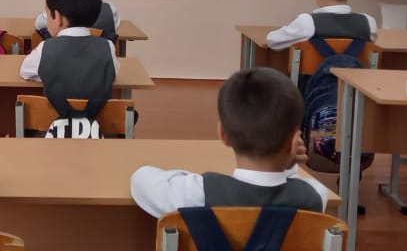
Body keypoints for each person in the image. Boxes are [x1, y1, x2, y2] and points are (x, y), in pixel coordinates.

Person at [131, 68, 328, 217]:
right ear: (294, 143)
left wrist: (187, 178)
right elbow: (296, 185)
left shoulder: (197, 194)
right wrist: (288, 167)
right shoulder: (315, 197)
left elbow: (140, 179)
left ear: (223, 134)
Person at [20, 0, 118, 95]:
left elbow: (25, 73)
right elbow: (112, 75)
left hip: (54, 108)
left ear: (58, 17)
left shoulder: (44, 49)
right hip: (98, 108)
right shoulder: (108, 47)